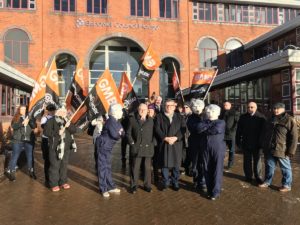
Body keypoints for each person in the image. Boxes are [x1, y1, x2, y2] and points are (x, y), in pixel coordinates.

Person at [259, 102, 298, 192]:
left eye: (278, 108)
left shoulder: (289, 120)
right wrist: (264, 145)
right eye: (274, 108)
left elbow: (294, 137)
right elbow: (265, 133)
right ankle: (267, 181)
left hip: (282, 149)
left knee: (285, 168)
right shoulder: (270, 119)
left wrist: (291, 151)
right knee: (269, 166)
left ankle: (287, 185)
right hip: (269, 148)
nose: (275, 110)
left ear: (283, 109)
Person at [43, 106, 78, 192]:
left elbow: (74, 130)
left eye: (64, 112)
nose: (63, 113)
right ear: (57, 112)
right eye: (61, 112)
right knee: (55, 165)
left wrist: (69, 125)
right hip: (55, 147)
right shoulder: (51, 121)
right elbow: (46, 132)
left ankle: (63, 182)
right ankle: (54, 184)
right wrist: (57, 132)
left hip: (65, 147)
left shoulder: (67, 120)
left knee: (64, 165)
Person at [195, 104, 226, 200]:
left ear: (217, 113)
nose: (210, 114)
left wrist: (206, 128)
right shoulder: (203, 121)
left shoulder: (221, 122)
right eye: (208, 112)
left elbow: (216, 130)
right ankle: (209, 190)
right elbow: (199, 129)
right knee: (206, 168)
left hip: (217, 148)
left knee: (217, 169)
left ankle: (215, 191)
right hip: (205, 148)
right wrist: (208, 127)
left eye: (212, 112)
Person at [154, 99, 186, 191]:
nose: (168, 107)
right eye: (166, 105)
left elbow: (183, 129)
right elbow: (157, 129)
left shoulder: (179, 117)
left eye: (170, 105)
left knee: (176, 164)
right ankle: (165, 182)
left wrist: (176, 138)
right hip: (164, 143)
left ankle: (175, 182)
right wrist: (165, 138)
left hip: (176, 143)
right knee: (164, 163)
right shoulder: (159, 116)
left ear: (174, 106)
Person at [96, 104, 124, 198]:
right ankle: (103, 189)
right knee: (103, 167)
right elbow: (115, 135)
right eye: (120, 110)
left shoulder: (116, 121)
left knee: (107, 166)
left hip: (108, 146)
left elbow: (122, 132)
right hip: (103, 145)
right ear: (115, 111)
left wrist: (119, 132)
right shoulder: (111, 121)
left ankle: (110, 186)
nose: (122, 112)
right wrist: (119, 132)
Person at [126, 103, 155, 193]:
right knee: (135, 167)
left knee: (147, 168)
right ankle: (134, 185)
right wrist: (132, 143)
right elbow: (128, 133)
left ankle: (147, 185)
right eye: (141, 109)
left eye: (144, 109)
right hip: (136, 148)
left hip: (147, 148)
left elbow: (155, 133)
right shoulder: (132, 120)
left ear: (147, 111)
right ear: (138, 110)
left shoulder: (151, 120)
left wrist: (152, 143)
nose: (142, 111)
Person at [236, 102, 266, 184]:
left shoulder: (261, 117)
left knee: (257, 161)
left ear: (256, 108)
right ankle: (248, 176)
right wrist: (238, 141)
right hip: (246, 143)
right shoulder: (243, 117)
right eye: (248, 107)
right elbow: (239, 130)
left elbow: (264, 132)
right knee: (247, 161)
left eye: (252, 107)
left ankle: (258, 177)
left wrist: (262, 143)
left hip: (257, 144)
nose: (250, 109)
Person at [6, 105, 37, 181]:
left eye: (24, 109)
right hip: (18, 140)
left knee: (30, 156)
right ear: (19, 110)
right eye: (21, 109)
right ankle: (12, 172)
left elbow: (34, 126)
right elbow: (14, 126)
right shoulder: (16, 117)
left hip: (28, 140)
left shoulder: (29, 117)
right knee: (15, 155)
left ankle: (31, 171)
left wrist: (30, 120)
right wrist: (22, 123)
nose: (23, 111)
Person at [186, 99, 206, 190]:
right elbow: (195, 128)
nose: (197, 108)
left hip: (204, 143)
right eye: (195, 106)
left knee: (203, 162)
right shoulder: (191, 117)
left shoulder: (206, 116)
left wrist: (202, 119)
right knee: (195, 163)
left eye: (198, 106)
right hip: (194, 143)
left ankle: (203, 181)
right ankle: (196, 180)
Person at [219, 101, 239, 170]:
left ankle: (230, 164)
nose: (225, 106)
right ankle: (221, 163)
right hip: (222, 135)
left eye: (226, 105)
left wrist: (232, 130)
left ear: (230, 106)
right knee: (222, 150)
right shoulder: (221, 113)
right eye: (224, 105)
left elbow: (237, 123)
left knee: (231, 150)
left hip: (231, 135)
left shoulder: (234, 113)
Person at [40, 104, 56, 186]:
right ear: (48, 111)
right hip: (46, 140)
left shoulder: (56, 118)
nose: (52, 112)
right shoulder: (44, 118)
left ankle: (54, 178)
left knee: (54, 160)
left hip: (54, 141)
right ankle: (47, 179)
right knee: (47, 160)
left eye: (53, 110)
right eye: (51, 110)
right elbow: (44, 127)